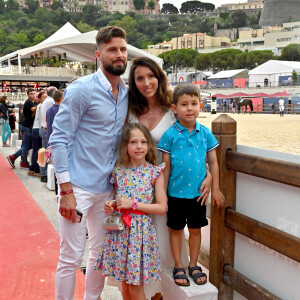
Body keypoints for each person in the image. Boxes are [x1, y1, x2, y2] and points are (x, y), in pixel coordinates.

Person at [49, 26, 128, 300]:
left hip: (108, 190)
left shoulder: (128, 94)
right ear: (98, 55)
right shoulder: (81, 89)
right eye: (112, 50)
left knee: (101, 253)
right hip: (78, 188)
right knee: (70, 256)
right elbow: (58, 140)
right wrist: (66, 191)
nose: (119, 55)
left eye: (122, 49)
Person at [128, 56, 212, 298]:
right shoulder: (130, 109)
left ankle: (167, 290)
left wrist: (206, 172)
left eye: (151, 76)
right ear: (134, 83)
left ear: (159, 77)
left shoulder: (173, 107)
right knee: (140, 248)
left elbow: (192, 143)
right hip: (139, 187)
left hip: (168, 185)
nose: (146, 82)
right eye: (140, 78)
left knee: (166, 239)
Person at [158, 83, 225, 286]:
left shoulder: (205, 133)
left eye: (193, 103)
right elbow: (166, 167)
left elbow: (213, 162)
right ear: (174, 108)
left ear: (201, 105)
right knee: (176, 230)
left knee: (195, 230)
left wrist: (216, 188)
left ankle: (194, 264)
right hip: (175, 194)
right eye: (184, 104)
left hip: (199, 194)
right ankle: (179, 265)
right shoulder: (169, 135)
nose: (189, 108)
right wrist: (162, 194)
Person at [95, 123, 167, 300]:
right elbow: (121, 199)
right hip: (120, 235)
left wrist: (132, 205)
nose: (139, 146)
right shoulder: (118, 171)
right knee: (125, 288)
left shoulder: (154, 172)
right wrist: (112, 204)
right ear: (125, 146)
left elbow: (162, 207)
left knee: (135, 289)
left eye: (143, 142)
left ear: (149, 146)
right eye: (133, 142)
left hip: (139, 236)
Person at [46, 90, 63, 194]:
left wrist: (49, 143)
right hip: (60, 140)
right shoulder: (62, 110)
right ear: (61, 98)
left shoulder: (49, 110)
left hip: (52, 140)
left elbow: (49, 128)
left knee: (56, 167)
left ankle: (57, 193)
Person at [40, 86, 57, 182]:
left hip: (43, 128)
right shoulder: (51, 102)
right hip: (47, 130)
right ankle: (46, 175)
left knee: (44, 153)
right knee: (47, 154)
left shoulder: (46, 101)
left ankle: (43, 174)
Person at [28, 91, 47, 177]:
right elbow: (40, 120)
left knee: (36, 150)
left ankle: (32, 169)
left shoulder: (39, 106)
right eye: (43, 97)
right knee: (38, 151)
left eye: (46, 97)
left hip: (36, 129)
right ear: (39, 99)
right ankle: (36, 170)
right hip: (37, 129)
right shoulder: (41, 106)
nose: (45, 98)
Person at [20, 88, 37, 168]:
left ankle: (22, 160)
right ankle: (23, 161)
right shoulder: (28, 102)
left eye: (34, 93)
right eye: (31, 94)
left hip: (27, 126)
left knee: (26, 145)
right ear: (28, 95)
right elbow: (33, 109)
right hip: (26, 126)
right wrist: (41, 105)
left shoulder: (33, 102)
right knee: (26, 145)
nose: (33, 95)